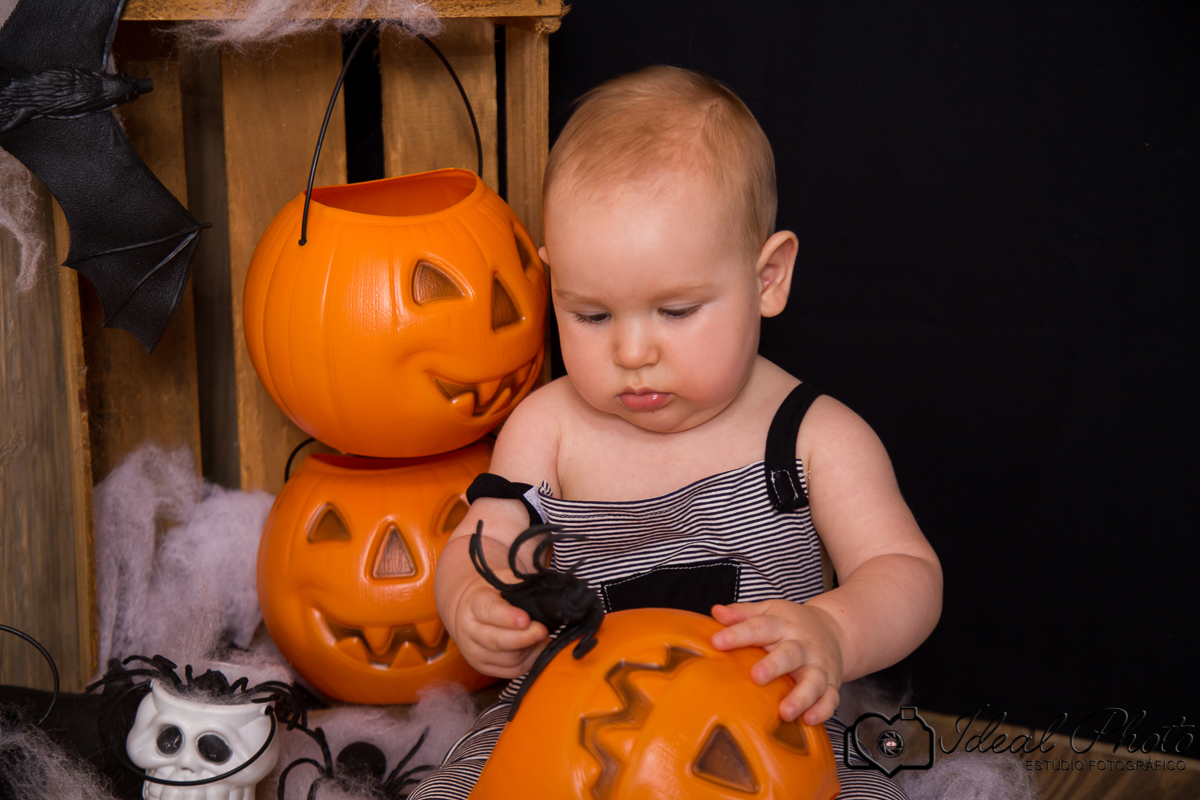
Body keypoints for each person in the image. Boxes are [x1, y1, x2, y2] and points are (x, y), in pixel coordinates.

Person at [410, 65, 942, 799]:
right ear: (550, 281)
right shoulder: (549, 428)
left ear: (768, 279)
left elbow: (905, 572)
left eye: (676, 311)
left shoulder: (812, 439)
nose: (632, 353)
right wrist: (470, 598)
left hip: (760, 742)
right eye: (591, 315)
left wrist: (835, 630)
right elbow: (486, 539)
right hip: (563, 739)